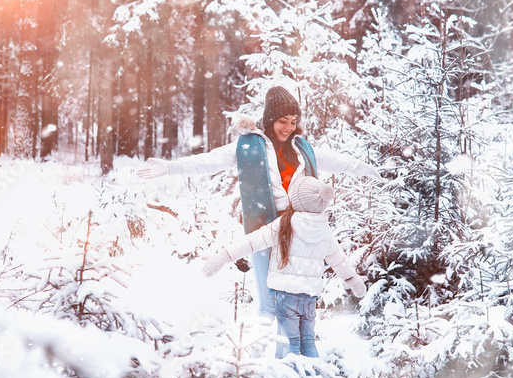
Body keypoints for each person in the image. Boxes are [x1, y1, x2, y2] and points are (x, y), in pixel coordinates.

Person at [137, 84, 380, 333]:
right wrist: (170, 167)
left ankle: (293, 353)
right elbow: (209, 161)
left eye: (293, 121)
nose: (288, 127)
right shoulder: (248, 147)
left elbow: (337, 161)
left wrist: (369, 170)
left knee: (295, 303)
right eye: (283, 121)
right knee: (269, 304)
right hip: (264, 229)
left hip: (300, 232)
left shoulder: (302, 148)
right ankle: (255, 356)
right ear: (270, 119)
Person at [202, 176, 366, 357]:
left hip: (286, 296)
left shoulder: (285, 224)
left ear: (297, 200)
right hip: (309, 298)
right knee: (309, 344)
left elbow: (252, 242)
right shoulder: (324, 231)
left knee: (290, 345)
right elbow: (340, 261)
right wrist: (355, 282)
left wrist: (222, 257)